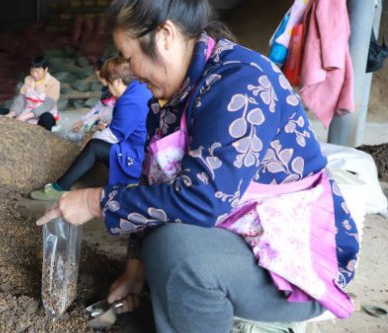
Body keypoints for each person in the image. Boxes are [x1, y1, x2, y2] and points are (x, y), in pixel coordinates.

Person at [36, 1, 360, 332]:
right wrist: (135, 270)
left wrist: (95, 201)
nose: (131, 72)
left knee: (177, 251)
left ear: (164, 36)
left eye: (130, 58)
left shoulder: (240, 82)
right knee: (162, 237)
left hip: (291, 265)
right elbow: (152, 187)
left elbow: (202, 200)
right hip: (237, 235)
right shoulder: (168, 102)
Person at [30, 57, 152, 201]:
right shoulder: (140, 88)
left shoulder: (129, 101)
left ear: (118, 81)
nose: (110, 91)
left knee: (94, 147)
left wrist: (89, 141)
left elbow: (114, 135)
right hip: (143, 149)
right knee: (97, 141)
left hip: (136, 156)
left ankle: (59, 188)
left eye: (110, 85)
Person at [3, 56, 60, 131]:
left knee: (46, 118)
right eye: (32, 71)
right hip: (26, 110)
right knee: (0, 111)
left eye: (37, 71)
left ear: (46, 69)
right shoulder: (28, 80)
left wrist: (24, 117)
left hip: (42, 114)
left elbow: (47, 106)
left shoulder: (54, 83)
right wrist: (11, 114)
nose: (34, 74)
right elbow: (21, 100)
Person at [71, 57, 117, 135]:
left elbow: (120, 115)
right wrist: (82, 121)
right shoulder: (106, 90)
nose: (100, 80)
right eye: (98, 76)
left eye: (102, 76)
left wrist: (107, 125)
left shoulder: (120, 93)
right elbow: (97, 108)